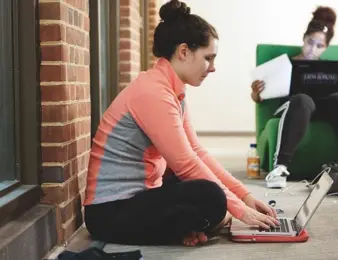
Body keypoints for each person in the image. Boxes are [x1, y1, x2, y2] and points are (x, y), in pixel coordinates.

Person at [83, 0, 279, 247]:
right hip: (109, 212)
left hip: (139, 198)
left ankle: (184, 228)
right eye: (208, 58)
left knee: (201, 188)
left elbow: (197, 153)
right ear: (184, 51)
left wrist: (245, 196)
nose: (213, 68)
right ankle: (190, 226)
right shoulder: (153, 92)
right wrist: (241, 211)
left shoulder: (172, 91)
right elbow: (186, 164)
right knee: (210, 196)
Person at [251, 6, 338, 189]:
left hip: (323, 108)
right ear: (303, 39)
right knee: (302, 99)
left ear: (326, 48)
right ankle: (280, 167)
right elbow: (260, 98)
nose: (312, 49)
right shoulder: (285, 64)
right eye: (310, 42)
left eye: (319, 46)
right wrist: (256, 93)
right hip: (295, 107)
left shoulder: (328, 70)